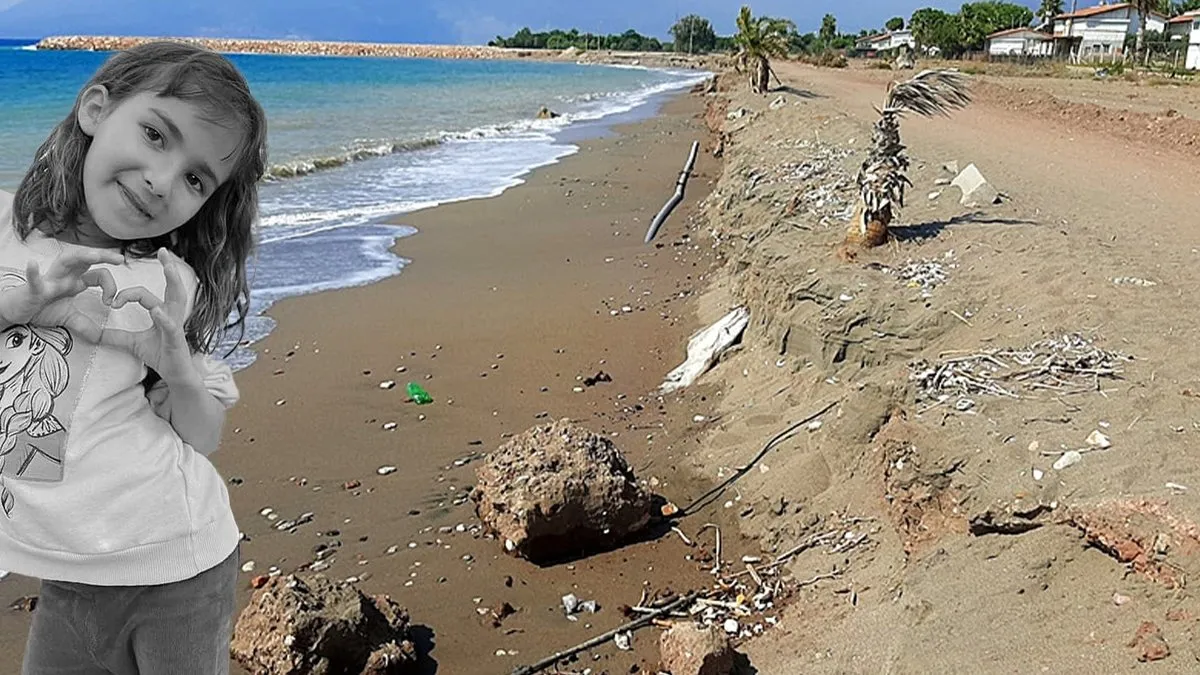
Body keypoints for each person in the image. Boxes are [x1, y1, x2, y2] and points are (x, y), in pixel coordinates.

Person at [0, 40, 267, 674]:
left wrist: (174, 363)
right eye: (155, 134)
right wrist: (18, 308)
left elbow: (201, 435)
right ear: (96, 108)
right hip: (66, 568)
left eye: (196, 178)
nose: (161, 180)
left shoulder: (164, 284)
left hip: (176, 562)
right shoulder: (7, 229)